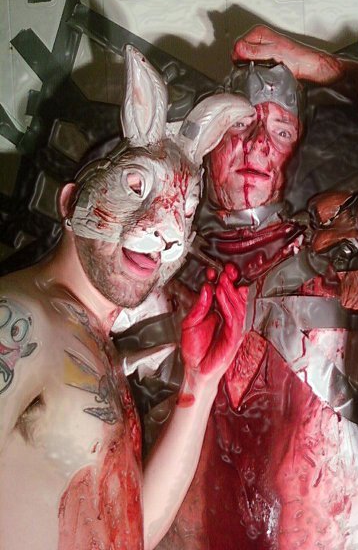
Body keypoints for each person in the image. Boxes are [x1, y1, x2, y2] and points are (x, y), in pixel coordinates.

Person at [157, 24, 358, 549]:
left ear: (297, 149)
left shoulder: (344, 256)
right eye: (239, 124)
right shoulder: (158, 262)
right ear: (205, 137)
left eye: (280, 130)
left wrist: (330, 69)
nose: (257, 143)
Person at [0, 45, 250, 550]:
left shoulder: (97, 349)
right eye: (137, 187)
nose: (167, 231)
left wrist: (201, 385)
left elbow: (133, 530)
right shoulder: (17, 319)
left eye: (185, 212)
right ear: (72, 201)